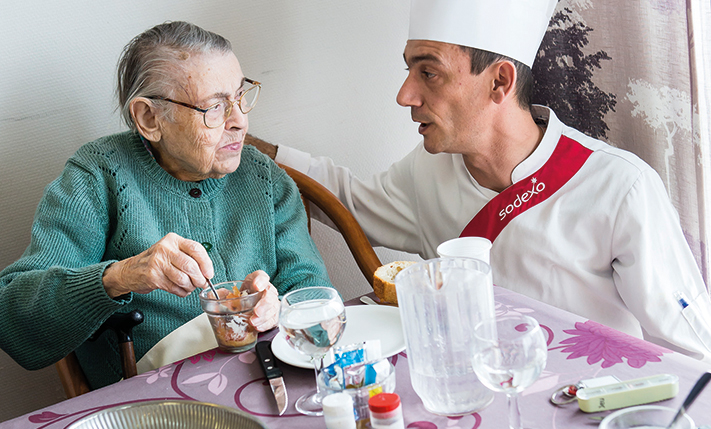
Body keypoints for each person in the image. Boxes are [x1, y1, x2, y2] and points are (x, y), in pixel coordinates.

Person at [258, 0, 711, 360]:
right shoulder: (428, 169)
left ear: (500, 81)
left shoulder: (621, 188)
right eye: (409, 70)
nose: (405, 95)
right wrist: (239, 142)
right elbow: (347, 201)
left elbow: (690, 353)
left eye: (428, 72)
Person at [0, 21, 332, 389]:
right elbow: (13, 323)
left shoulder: (264, 179)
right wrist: (119, 276)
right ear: (149, 118)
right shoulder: (97, 177)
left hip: (265, 379)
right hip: (153, 404)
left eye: (241, 96)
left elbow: (314, 293)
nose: (240, 121)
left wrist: (278, 306)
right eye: (216, 107)